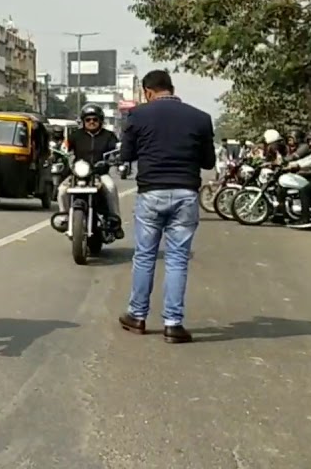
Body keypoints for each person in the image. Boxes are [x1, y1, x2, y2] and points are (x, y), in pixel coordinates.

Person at [117, 70, 215, 344]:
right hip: (185, 193)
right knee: (177, 259)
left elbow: (126, 156)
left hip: (152, 192)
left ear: (148, 92)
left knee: (145, 256)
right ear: (171, 88)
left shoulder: (138, 116)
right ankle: (173, 323)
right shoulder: (200, 118)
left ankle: (137, 316)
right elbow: (208, 162)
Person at [55, 103, 123, 236]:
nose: (91, 122)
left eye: (95, 119)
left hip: (99, 173)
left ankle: (115, 221)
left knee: (110, 187)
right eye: (88, 119)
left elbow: (116, 150)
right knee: (62, 190)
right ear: (83, 121)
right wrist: (58, 154)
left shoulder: (108, 136)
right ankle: (64, 217)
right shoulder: (76, 135)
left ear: (100, 121)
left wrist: (116, 157)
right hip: (78, 174)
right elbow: (65, 148)